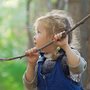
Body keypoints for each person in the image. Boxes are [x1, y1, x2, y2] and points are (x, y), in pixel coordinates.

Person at [23, 10, 87, 90]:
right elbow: (29, 86)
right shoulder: (39, 62)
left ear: (53, 37)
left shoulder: (68, 56)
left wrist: (66, 47)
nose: (34, 37)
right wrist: (31, 64)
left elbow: (78, 68)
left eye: (38, 32)